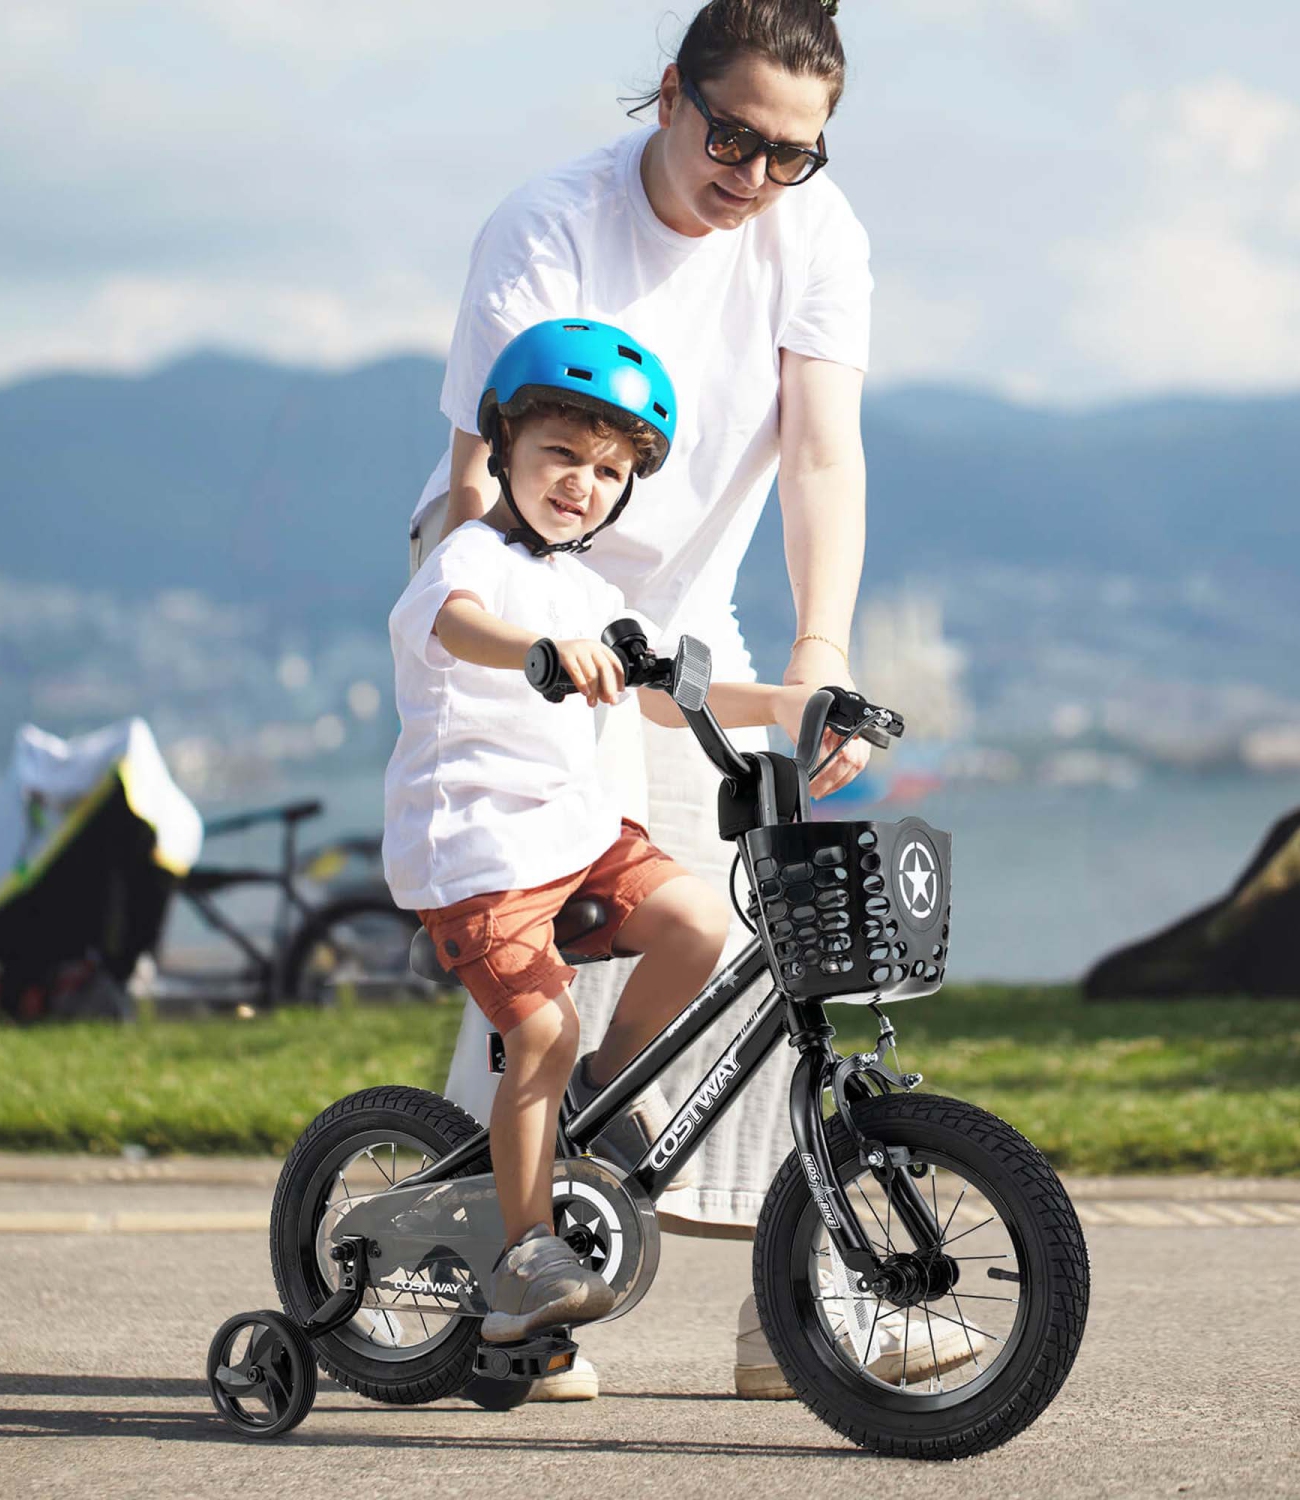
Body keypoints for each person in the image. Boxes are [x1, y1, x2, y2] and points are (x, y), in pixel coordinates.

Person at [412, 0, 879, 1398]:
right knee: (555, 954)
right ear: (669, 94)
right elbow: (482, 468)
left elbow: (822, 460)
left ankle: (725, 1300)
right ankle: (510, 1276)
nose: (755, 173)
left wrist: (823, 656)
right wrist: (511, 644)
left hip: (675, 631)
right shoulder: (551, 222)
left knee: (740, 927)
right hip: (523, 610)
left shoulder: (816, 233)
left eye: (793, 151)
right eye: (733, 134)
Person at [385, 319, 818, 1346]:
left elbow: (672, 694)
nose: (583, 482)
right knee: (536, 1029)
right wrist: (540, 649)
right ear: (504, 452)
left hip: (577, 837)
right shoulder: (468, 559)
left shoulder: (593, 590)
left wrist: (799, 702)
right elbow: (457, 625)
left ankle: (601, 1091)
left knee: (697, 923)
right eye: (562, 455)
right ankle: (528, 1256)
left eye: (610, 469)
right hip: (480, 853)